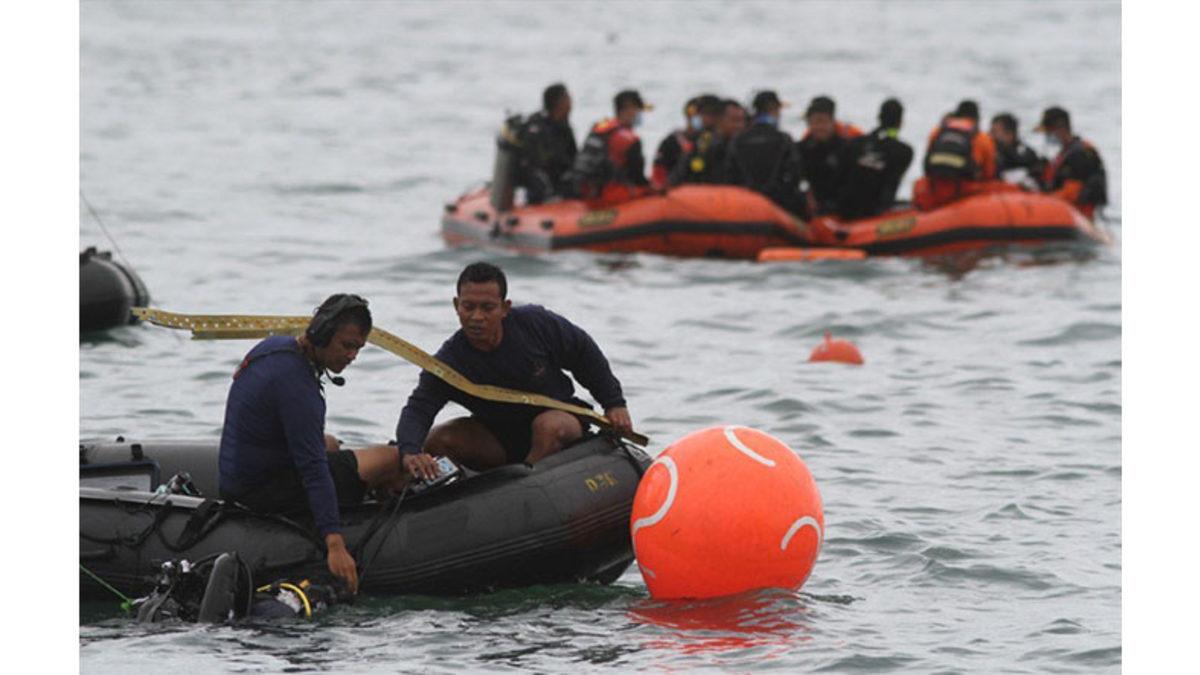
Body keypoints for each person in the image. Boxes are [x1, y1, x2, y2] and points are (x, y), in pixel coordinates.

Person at [218, 294, 407, 595]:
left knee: (330, 442)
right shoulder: (299, 389)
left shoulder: (275, 347)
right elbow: (314, 471)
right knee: (392, 458)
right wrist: (334, 543)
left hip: (240, 479)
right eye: (347, 346)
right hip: (265, 492)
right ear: (322, 334)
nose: (352, 356)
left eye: (358, 348)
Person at [395, 262, 634, 476]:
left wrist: (614, 403)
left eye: (487, 308)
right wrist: (410, 451)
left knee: (548, 427)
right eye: (468, 307)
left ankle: (525, 484)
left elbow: (584, 353)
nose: (477, 317)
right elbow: (419, 408)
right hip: (497, 439)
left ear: (505, 307)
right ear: (457, 306)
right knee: (439, 438)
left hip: (561, 422)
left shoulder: (536, 324)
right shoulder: (449, 362)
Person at [723, 90, 804, 215]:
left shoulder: (738, 140)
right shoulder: (784, 139)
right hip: (779, 208)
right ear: (774, 110)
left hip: (744, 207)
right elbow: (795, 175)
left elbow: (729, 175)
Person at [833, 98, 914, 220]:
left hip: (844, 211)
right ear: (901, 122)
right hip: (875, 216)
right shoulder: (905, 152)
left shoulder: (854, 144)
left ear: (878, 117)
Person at [567, 89, 652, 204]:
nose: (640, 114)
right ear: (628, 108)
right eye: (638, 109)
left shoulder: (599, 127)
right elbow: (638, 177)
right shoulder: (630, 139)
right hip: (610, 194)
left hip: (585, 191)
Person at [914, 99, 1000, 210]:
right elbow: (989, 174)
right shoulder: (983, 138)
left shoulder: (937, 132)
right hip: (964, 192)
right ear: (977, 119)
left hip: (934, 189)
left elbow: (927, 161)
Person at [795, 95, 864, 215]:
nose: (819, 127)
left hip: (841, 208)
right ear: (809, 124)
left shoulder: (847, 147)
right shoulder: (801, 148)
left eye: (823, 122)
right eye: (815, 122)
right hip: (811, 209)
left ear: (832, 122)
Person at [1035, 106, 1108, 218]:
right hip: (1066, 211)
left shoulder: (1080, 153)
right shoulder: (1065, 153)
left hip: (1081, 213)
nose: (1046, 136)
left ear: (1060, 128)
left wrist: (1042, 200)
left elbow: (1072, 192)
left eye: (1048, 131)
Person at [517, 83, 578, 203]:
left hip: (561, 181)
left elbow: (573, 156)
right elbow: (536, 162)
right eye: (569, 99)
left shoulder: (563, 126)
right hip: (542, 186)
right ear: (559, 103)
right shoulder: (538, 128)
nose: (572, 104)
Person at [670, 95, 726, 185]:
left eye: (712, 114)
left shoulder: (732, 140)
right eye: (703, 114)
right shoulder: (676, 140)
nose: (708, 118)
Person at [990, 112, 1044, 187]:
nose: (991, 135)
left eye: (994, 131)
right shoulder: (992, 150)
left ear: (1009, 134)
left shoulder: (1027, 154)